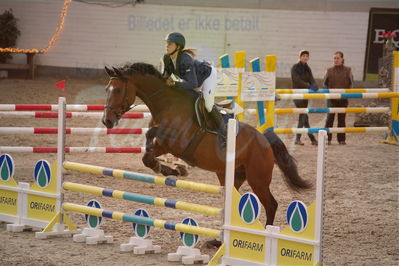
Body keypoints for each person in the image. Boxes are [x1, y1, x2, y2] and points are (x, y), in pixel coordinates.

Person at [161, 32, 226, 140]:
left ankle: (223, 131)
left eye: (170, 44)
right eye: (166, 43)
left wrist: (175, 84)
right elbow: (165, 76)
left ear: (178, 47)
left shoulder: (185, 59)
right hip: (193, 79)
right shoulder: (166, 58)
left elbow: (193, 84)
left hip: (207, 75)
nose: (167, 46)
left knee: (208, 104)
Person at [323, 51, 354, 145]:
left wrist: (347, 94)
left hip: (343, 99)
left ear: (342, 59)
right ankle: (327, 139)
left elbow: (351, 84)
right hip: (331, 99)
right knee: (329, 119)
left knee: (341, 119)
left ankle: (341, 139)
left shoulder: (348, 70)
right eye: (334, 58)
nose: (336, 60)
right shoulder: (329, 70)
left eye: (338, 58)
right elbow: (324, 84)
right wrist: (328, 93)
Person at [291, 50, 318, 146]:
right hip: (297, 95)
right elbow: (296, 80)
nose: (305, 57)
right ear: (300, 57)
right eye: (304, 56)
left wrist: (314, 85)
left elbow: (311, 78)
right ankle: (311, 138)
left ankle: (305, 139)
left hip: (305, 95)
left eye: (307, 56)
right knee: (303, 115)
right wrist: (308, 86)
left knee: (303, 116)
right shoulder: (295, 67)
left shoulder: (308, 68)